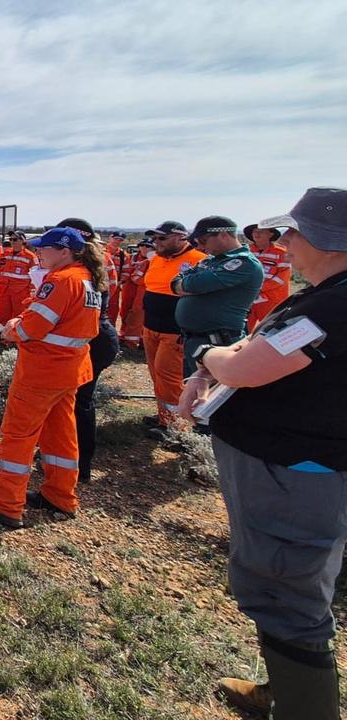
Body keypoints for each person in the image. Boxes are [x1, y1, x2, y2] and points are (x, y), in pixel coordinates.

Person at [176, 187, 347, 720]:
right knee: (289, 588)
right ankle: (286, 691)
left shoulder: (336, 305)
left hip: (296, 475)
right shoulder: (327, 296)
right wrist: (214, 370)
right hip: (295, 469)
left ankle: (304, 708)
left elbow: (248, 366)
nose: (285, 242)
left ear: (328, 238)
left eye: (293, 232)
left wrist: (208, 354)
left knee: (286, 593)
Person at [0, 227, 102, 528]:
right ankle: (60, 495)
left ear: (64, 251)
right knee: (60, 435)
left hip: (42, 372)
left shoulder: (61, 280)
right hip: (69, 371)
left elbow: (31, 329)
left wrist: (13, 326)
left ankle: (5, 504)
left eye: (45, 248)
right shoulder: (86, 279)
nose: (39, 252)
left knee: (19, 435)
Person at [54, 218, 121, 486]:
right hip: (96, 337)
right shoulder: (94, 265)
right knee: (75, 400)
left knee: (79, 402)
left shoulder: (77, 272)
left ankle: (79, 465)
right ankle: (67, 457)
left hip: (90, 340)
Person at [172, 216, 263, 380]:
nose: (200, 246)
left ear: (223, 235)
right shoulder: (211, 261)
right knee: (193, 392)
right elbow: (175, 282)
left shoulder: (244, 263)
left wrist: (190, 286)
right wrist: (189, 285)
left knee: (214, 395)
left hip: (219, 343)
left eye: (203, 240)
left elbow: (195, 284)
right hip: (196, 341)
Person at [140, 220, 207, 432]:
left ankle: (176, 427)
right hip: (151, 326)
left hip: (174, 330)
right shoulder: (157, 260)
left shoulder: (199, 260)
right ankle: (165, 416)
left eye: (162, 238)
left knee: (169, 376)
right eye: (154, 238)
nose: (156, 242)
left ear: (180, 237)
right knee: (156, 373)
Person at [245, 223, 291, 331]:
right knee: (244, 332)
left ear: (270, 234)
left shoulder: (282, 253)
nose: (257, 233)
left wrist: (258, 289)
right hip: (248, 300)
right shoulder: (246, 252)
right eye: (255, 231)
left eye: (261, 231)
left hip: (272, 301)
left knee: (272, 332)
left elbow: (281, 278)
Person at [0, 232, 37, 329]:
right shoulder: (5, 254)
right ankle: (5, 339)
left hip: (20, 292)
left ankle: (17, 339)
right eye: (11, 239)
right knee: (4, 315)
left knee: (19, 316)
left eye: (15, 239)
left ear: (22, 241)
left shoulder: (31, 257)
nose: (12, 242)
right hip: (4, 290)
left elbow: (35, 277)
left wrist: (30, 292)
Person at [119, 237, 153, 348]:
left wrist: (147, 281)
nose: (144, 248)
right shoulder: (132, 257)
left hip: (144, 291)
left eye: (147, 246)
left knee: (138, 315)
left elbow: (138, 277)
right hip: (129, 289)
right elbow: (130, 274)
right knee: (125, 312)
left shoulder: (154, 260)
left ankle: (133, 342)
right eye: (142, 245)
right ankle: (124, 336)